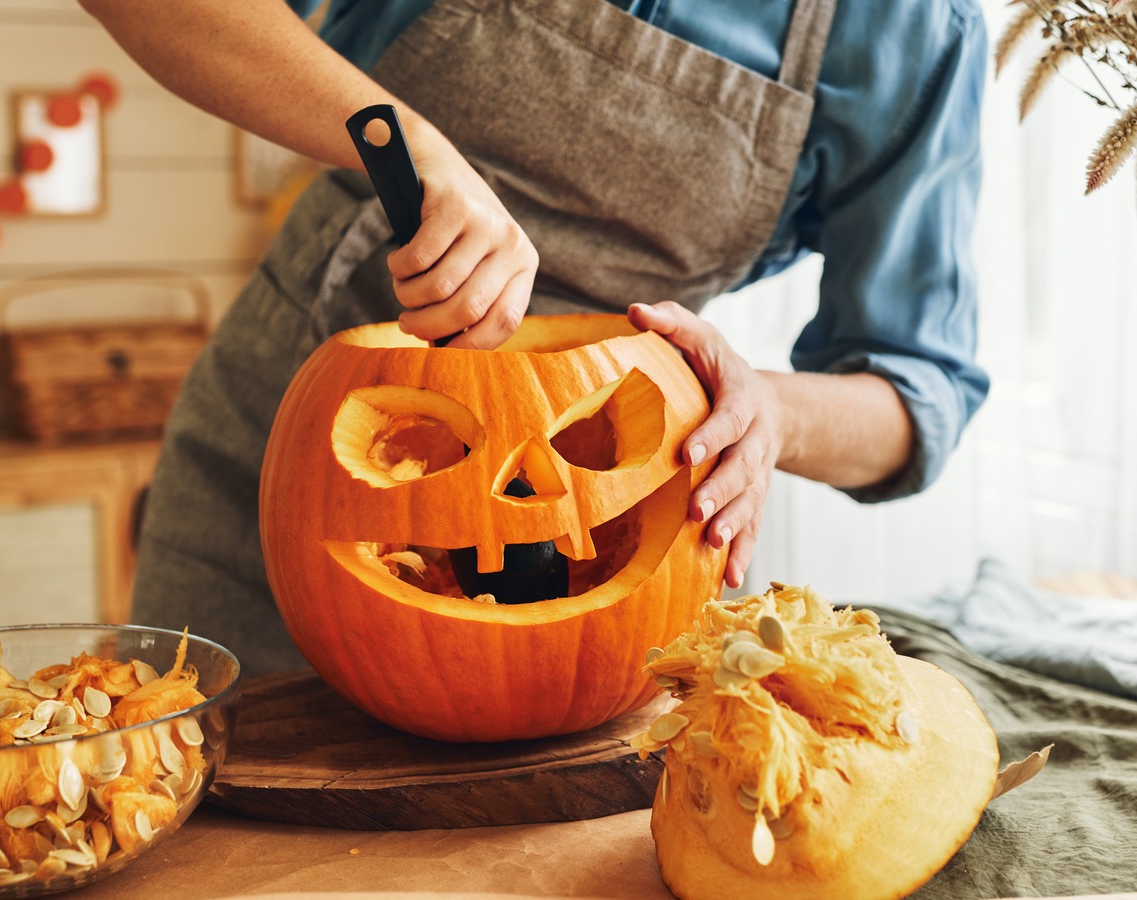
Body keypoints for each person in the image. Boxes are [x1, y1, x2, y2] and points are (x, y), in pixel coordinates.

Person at [78, 0, 990, 676]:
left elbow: (918, 393)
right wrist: (408, 145)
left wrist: (771, 411)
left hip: (610, 525)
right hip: (298, 461)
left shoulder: (914, 29)